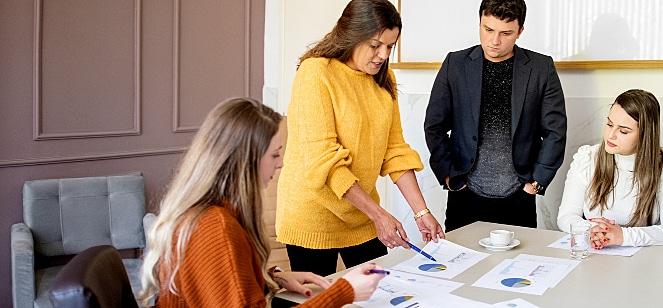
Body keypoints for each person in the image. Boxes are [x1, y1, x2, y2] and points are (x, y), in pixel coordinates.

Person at [139, 98, 385, 307]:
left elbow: (221, 280)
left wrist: (272, 278)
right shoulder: (216, 228)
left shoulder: (213, 214)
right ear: (246, 161)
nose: (281, 164)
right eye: (275, 154)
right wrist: (344, 292)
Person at [277, 0, 444, 277]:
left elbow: (395, 150)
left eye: (390, 46)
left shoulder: (384, 79)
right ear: (351, 35)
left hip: (361, 214)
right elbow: (325, 161)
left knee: (380, 291)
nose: (383, 55)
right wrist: (379, 215)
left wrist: (421, 212)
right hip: (313, 216)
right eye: (375, 45)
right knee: (320, 297)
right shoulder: (316, 73)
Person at [424, 0, 567, 231]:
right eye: (488, 29)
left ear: (520, 31)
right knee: (460, 254)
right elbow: (434, 125)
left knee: (521, 255)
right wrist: (448, 174)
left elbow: (555, 131)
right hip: (465, 193)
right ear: (480, 23)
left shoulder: (542, 68)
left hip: (519, 195)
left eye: (506, 33)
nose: (494, 41)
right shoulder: (455, 64)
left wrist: (536, 182)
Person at [556, 89, 663, 248]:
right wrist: (592, 230)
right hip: (595, 254)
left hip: (646, 257)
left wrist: (622, 236)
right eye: (609, 124)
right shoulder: (587, 158)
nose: (611, 135)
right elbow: (566, 216)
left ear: (645, 135)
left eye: (623, 131)